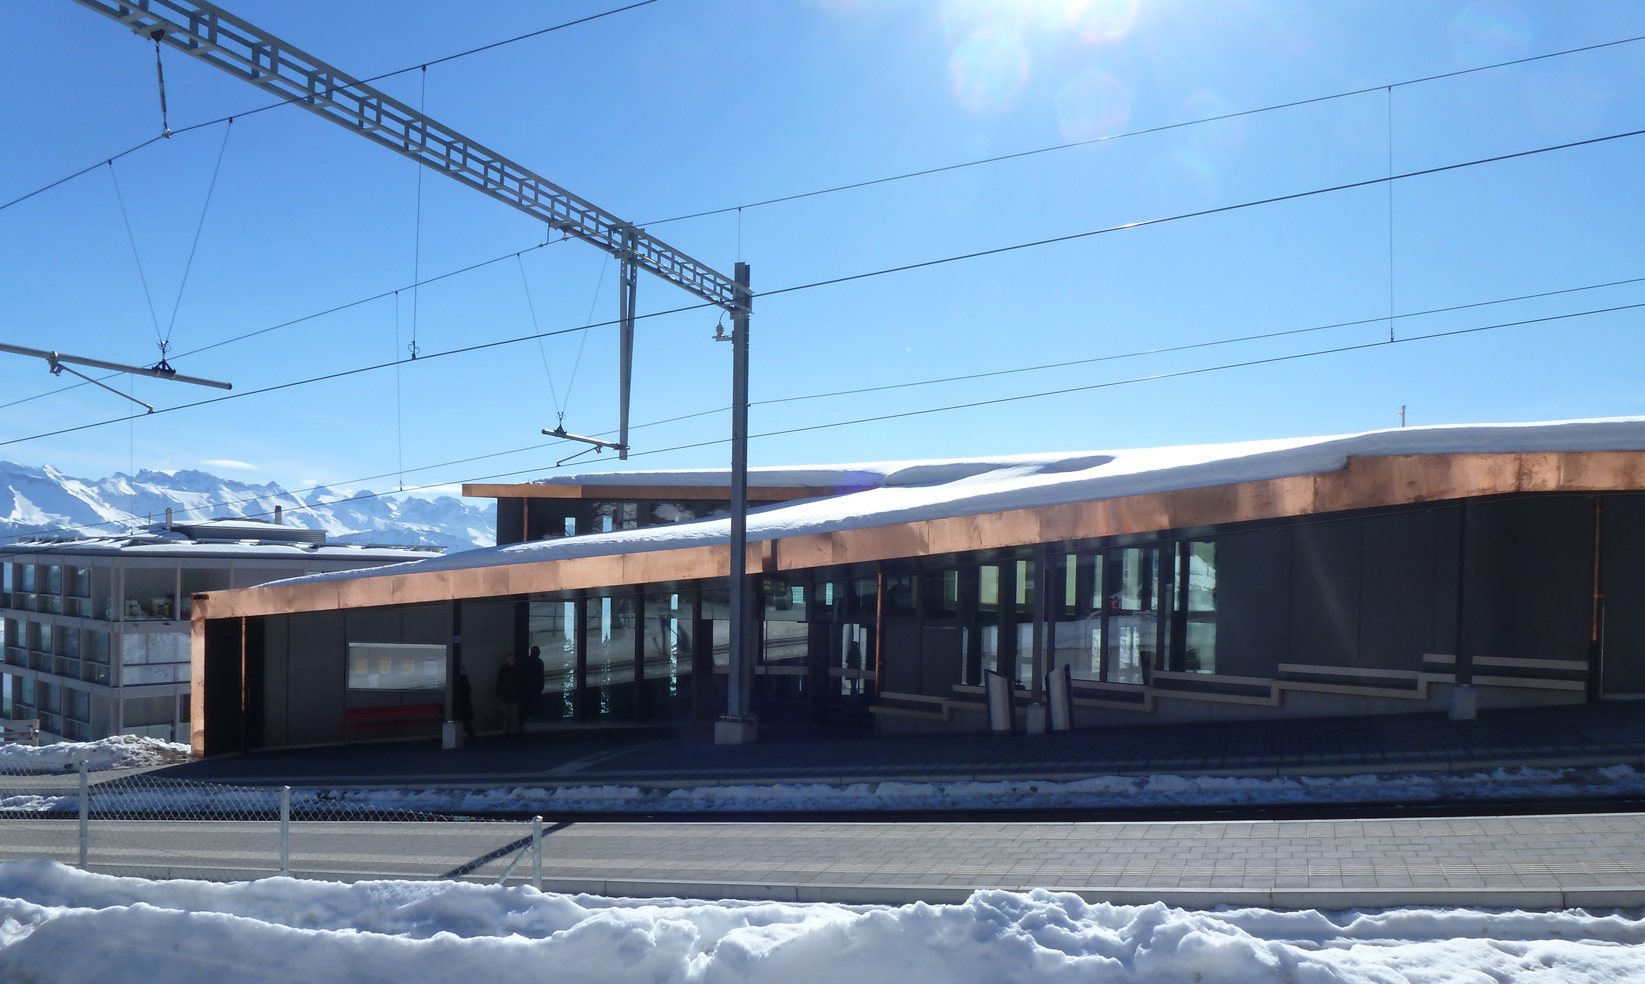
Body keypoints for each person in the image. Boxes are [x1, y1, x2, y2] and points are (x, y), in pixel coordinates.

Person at [495, 652, 525, 735]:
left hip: (512, 695)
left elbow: (500, 682)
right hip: (508, 695)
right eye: (511, 659)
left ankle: (512, 731)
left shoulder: (507, 669)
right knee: (507, 715)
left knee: (513, 714)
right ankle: (508, 731)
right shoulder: (509, 669)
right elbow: (500, 682)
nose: (513, 661)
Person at [525, 645, 546, 721]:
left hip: (529, 686)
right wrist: (541, 685)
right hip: (536, 686)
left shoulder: (527, 661)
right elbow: (541, 675)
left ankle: (529, 716)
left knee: (530, 702)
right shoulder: (539, 662)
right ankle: (535, 716)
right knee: (535, 702)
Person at [454, 668, 476, 739]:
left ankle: (471, 737)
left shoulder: (460, 681)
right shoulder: (465, 681)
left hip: (461, 704)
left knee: (464, 721)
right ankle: (472, 737)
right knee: (465, 722)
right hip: (464, 705)